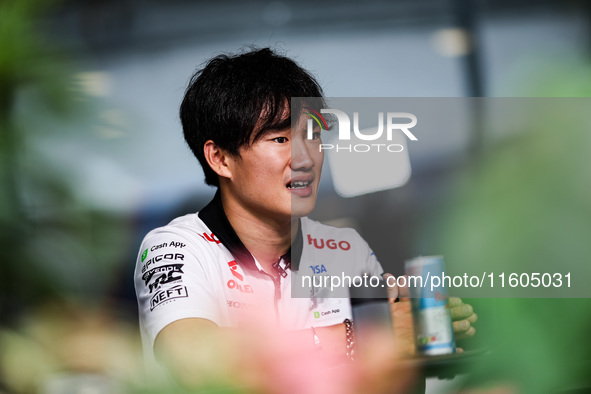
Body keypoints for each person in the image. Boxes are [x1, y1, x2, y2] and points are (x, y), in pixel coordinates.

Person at [134, 47, 476, 391]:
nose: (305, 158)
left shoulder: (346, 249)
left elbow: (390, 378)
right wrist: (361, 337)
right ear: (220, 159)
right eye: (280, 138)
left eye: (313, 135)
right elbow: (194, 360)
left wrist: (425, 340)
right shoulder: (176, 248)